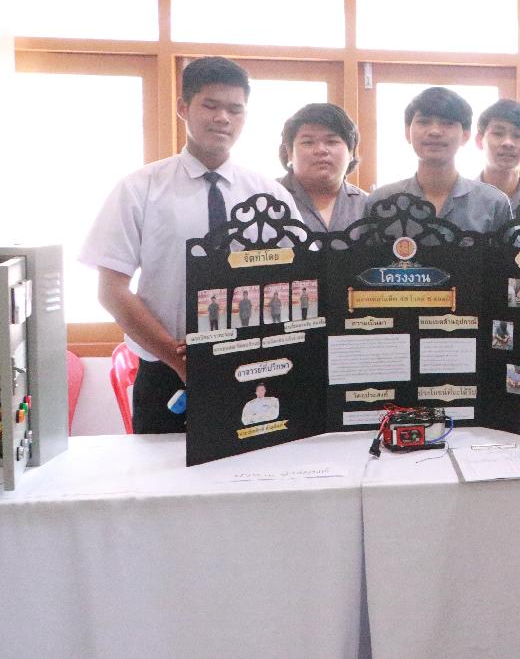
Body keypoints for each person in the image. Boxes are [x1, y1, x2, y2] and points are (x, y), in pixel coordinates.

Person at [80, 56, 298, 434]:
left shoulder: (269, 195)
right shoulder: (140, 189)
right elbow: (111, 290)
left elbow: (298, 279)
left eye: (235, 109)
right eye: (210, 105)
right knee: (161, 471)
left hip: (253, 368)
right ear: (183, 108)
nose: (223, 118)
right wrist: (178, 358)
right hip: (165, 371)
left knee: (256, 469)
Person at [366, 86, 513, 233]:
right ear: (407, 132)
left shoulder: (493, 203)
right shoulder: (381, 202)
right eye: (424, 122)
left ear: (466, 135)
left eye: (447, 123)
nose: (434, 131)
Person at [277, 102, 367, 233]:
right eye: (308, 142)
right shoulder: (267, 198)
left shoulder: (368, 206)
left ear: (351, 152)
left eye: (332, 141)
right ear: (289, 152)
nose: (320, 150)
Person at [475, 99, 520, 207]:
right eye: (498, 133)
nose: (508, 143)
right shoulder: (459, 203)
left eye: (518, 135)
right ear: (479, 141)